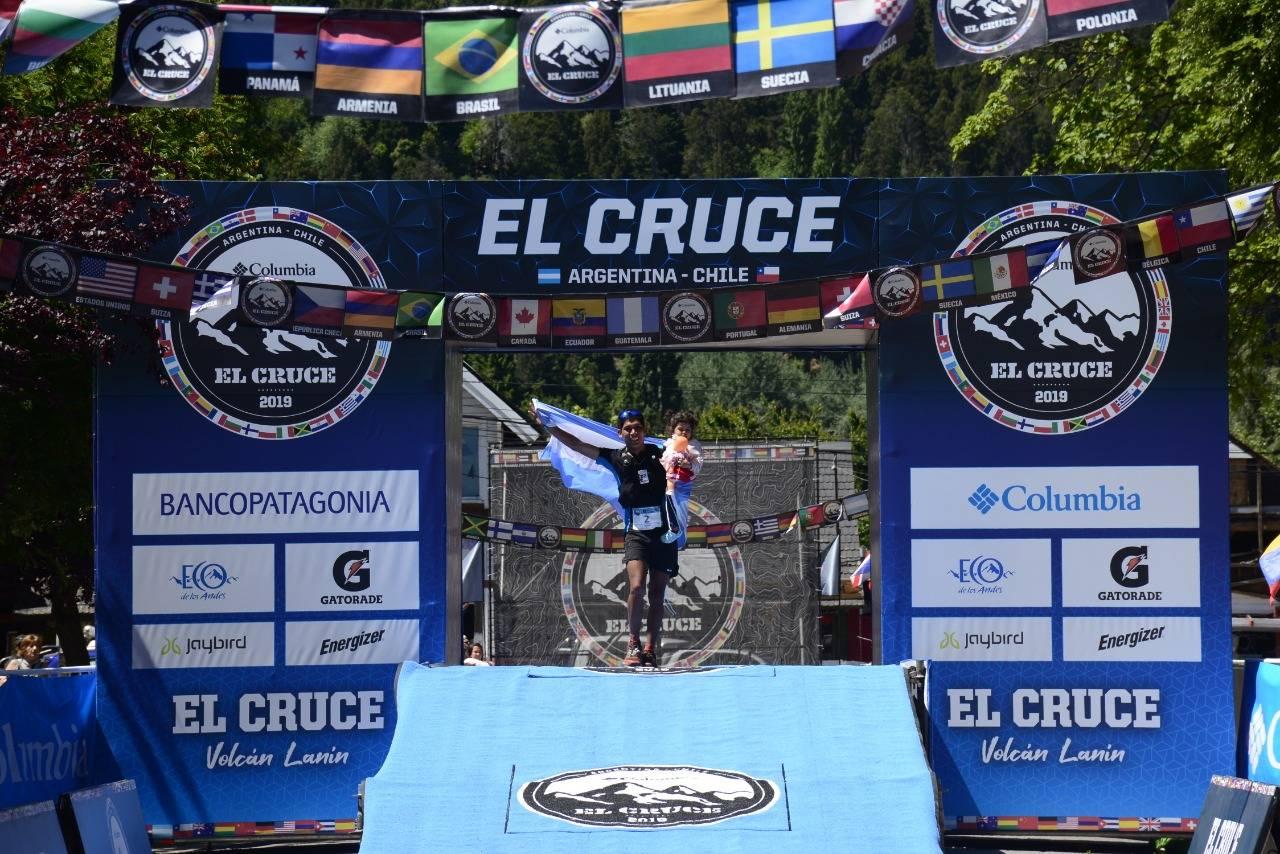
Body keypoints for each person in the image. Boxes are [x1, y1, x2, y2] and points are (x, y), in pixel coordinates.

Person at [532, 405, 677, 668]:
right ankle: (633, 642)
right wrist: (548, 426)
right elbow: (577, 444)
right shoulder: (615, 457)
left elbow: (686, 455)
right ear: (620, 433)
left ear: (644, 430)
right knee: (636, 587)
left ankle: (650, 649)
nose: (633, 432)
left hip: (664, 533)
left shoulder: (660, 454)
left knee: (657, 593)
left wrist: (687, 454)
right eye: (628, 429)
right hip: (636, 534)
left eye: (638, 428)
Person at [659, 410, 703, 544]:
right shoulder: (668, 444)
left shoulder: (693, 445)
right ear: (673, 430)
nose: (684, 432)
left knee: (681, 507)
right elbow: (663, 460)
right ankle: (673, 530)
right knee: (668, 504)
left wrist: (687, 465)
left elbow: (698, 464)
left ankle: (681, 538)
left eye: (687, 430)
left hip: (683, 482)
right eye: (680, 429)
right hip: (669, 481)